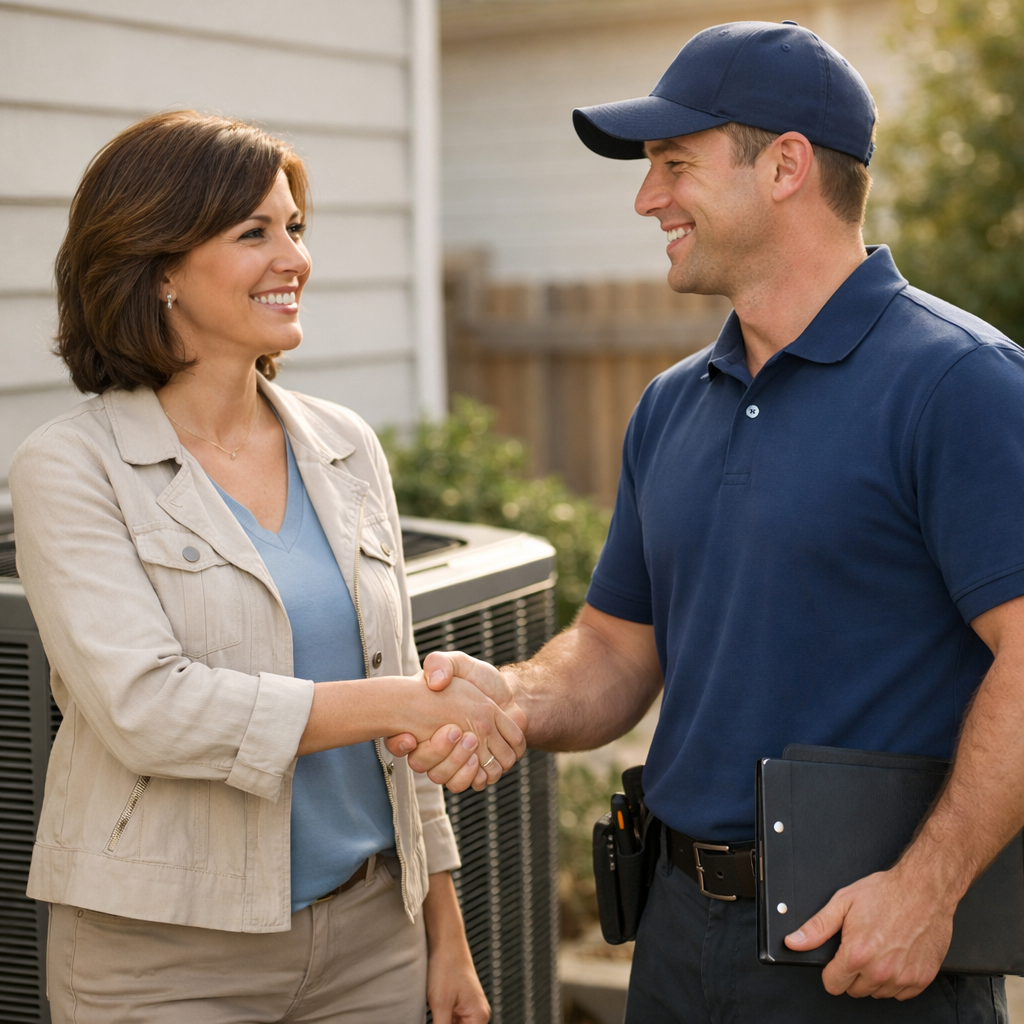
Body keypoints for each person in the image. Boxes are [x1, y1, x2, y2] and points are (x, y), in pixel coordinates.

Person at [387, 21, 1024, 1023]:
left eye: (674, 166)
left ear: (784, 166)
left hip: (862, 955)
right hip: (675, 937)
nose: (647, 199)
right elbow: (612, 651)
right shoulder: (671, 404)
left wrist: (927, 888)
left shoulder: (958, 383)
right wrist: (504, 696)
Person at [11, 110, 525, 1024]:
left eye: (295, 228)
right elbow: (148, 710)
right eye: (255, 232)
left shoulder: (345, 446)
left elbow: (391, 694)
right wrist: (406, 701)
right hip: (164, 962)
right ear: (159, 264)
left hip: (373, 939)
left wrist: (445, 935)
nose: (295, 258)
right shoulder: (69, 466)